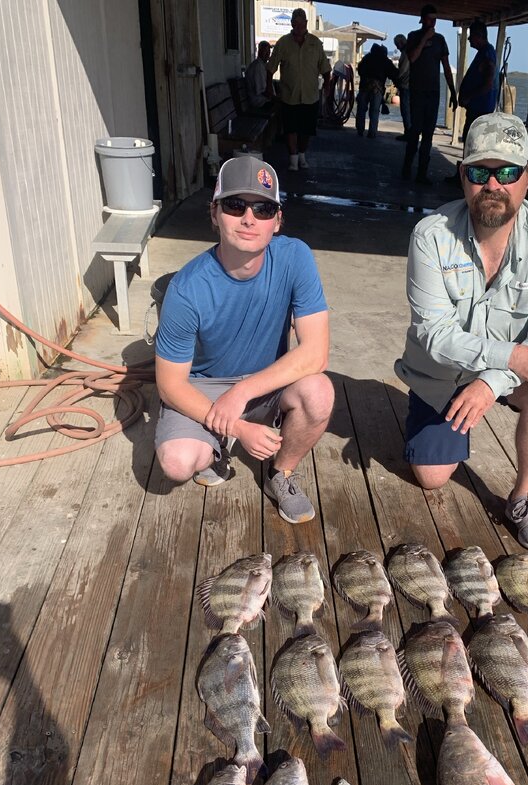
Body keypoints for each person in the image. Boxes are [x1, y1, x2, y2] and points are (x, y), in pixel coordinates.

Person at [395, 114, 528, 551]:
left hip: (508, 374)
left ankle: (524, 498)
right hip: (441, 374)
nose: (493, 184)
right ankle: (440, 422)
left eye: (507, 172)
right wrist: (510, 357)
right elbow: (434, 335)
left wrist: (491, 382)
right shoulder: (430, 236)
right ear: (463, 176)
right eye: (479, 173)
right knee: (432, 478)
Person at [154, 157, 334, 525]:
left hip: (265, 382)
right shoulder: (186, 289)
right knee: (177, 462)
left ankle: (280, 474)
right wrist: (236, 426)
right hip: (204, 387)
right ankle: (216, 447)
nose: (249, 218)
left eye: (263, 209)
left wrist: (242, 393)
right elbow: (170, 385)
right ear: (214, 213)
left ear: (277, 220)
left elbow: (316, 353)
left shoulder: (296, 257)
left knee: (319, 392)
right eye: (235, 205)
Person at [268, 8, 331, 171]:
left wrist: (327, 85)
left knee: (306, 130)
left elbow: (325, 68)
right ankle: (293, 159)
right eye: (295, 24)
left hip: (310, 95)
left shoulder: (315, 43)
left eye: (301, 24)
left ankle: (302, 155)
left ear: (306, 23)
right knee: (290, 129)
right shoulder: (283, 43)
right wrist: (270, 88)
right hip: (289, 95)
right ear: (291, 24)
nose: (298, 27)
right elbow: (271, 68)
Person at [401, 4, 457, 186]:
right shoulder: (413, 36)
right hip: (417, 92)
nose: (433, 23)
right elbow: (412, 58)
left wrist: (453, 91)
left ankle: (422, 173)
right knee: (414, 132)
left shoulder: (440, 40)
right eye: (430, 19)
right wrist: (424, 39)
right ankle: (407, 167)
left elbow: (446, 67)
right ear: (423, 19)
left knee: (428, 135)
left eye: (435, 19)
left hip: (433, 94)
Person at [444, 20, 498, 187]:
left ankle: (467, 178)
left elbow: (488, 83)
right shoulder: (483, 53)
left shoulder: (487, 54)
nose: (469, 40)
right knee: (469, 142)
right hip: (476, 109)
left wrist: (469, 97)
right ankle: (464, 176)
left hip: (480, 110)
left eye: (471, 36)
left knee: (472, 143)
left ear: (478, 36)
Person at [356, 44, 399, 139]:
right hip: (377, 89)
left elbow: (360, 70)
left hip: (364, 86)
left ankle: (360, 130)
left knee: (361, 109)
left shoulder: (367, 58)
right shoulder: (385, 60)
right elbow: (394, 73)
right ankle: (372, 133)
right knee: (374, 111)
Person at [245, 40, 275, 113]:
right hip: (259, 103)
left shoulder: (262, 65)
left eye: (269, 52)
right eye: (265, 51)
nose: (268, 54)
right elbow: (263, 92)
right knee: (283, 106)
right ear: (259, 51)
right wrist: (276, 98)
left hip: (264, 101)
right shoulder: (258, 66)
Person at [393, 34, 411, 141]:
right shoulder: (409, 51)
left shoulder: (406, 53)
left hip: (406, 86)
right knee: (408, 110)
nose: (397, 47)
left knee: (406, 110)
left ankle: (408, 133)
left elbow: (403, 70)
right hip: (409, 85)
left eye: (397, 44)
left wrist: (397, 78)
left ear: (401, 43)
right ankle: (409, 132)